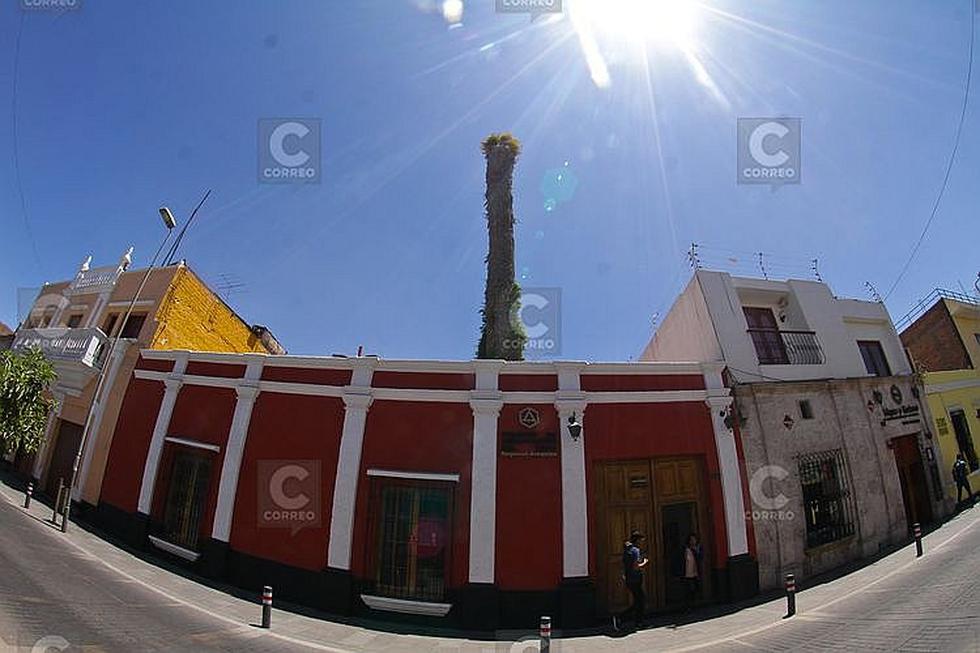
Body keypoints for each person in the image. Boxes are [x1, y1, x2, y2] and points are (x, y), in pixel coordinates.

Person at [613, 530, 648, 632]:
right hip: (636, 579)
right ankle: (623, 618)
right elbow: (636, 566)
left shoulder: (627, 550)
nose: (642, 542)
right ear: (637, 540)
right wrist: (644, 562)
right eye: (641, 540)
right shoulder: (635, 551)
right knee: (640, 601)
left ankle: (636, 622)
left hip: (629, 579)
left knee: (639, 600)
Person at [680, 533, 703, 611]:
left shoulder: (697, 549)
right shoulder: (684, 550)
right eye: (691, 540)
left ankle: (693, 604)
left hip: (695, 573)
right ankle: (688, 606)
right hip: (686, 573)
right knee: (688, 590)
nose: (693, 541)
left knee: (695, 589)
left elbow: (700, 558)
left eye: (694, 539)